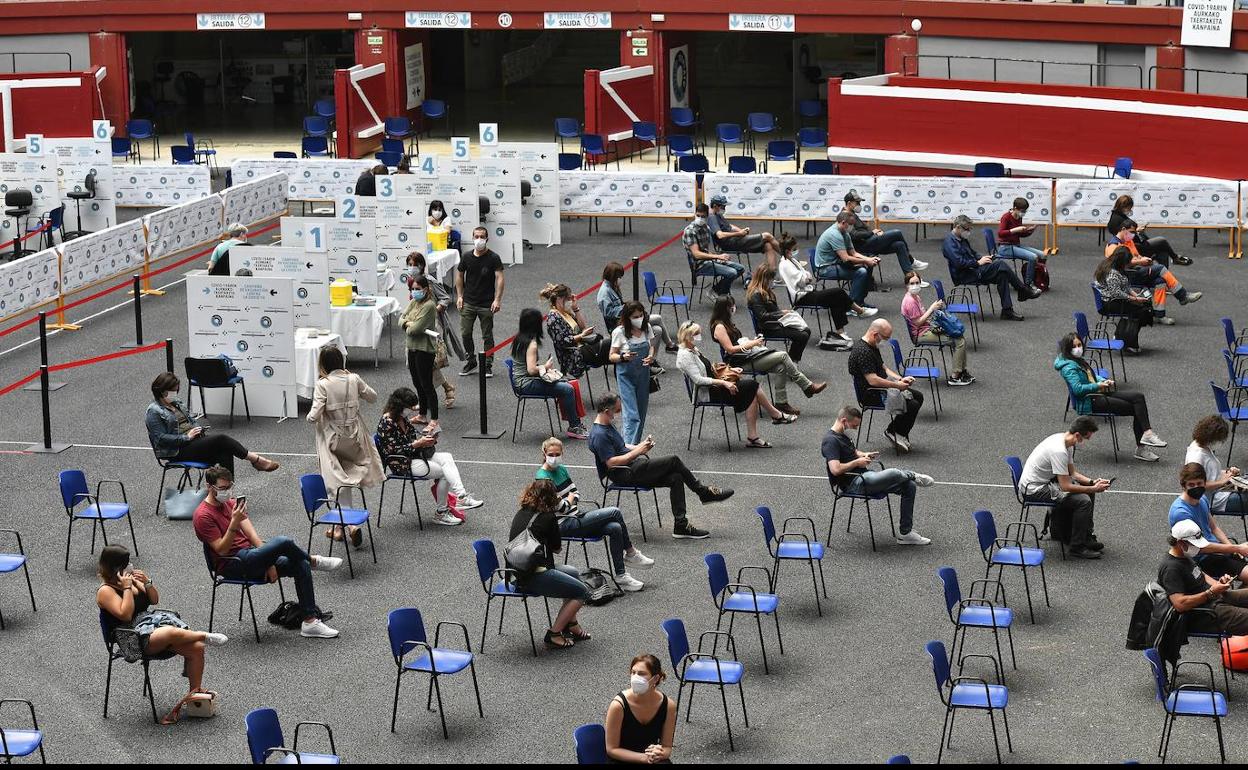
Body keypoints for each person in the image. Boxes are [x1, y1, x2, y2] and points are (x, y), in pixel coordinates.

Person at [193, 466, 341, 638]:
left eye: (230, 487)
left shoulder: (232, 503)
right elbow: (221, 550)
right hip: (232, 563)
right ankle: (315, 560)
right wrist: (234, 523)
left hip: (252, 555)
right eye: (223, 488)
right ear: (209, 487)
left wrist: (269, 562)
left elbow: (252, 535)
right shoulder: (202, 516)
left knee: (300, 563)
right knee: (283, 542)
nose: (228, 492)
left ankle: (310, 622)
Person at [96, 544, 228, 724]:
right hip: (131, 637)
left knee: (196, 648)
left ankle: (194, 696)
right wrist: (127, 588)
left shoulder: (131, 579)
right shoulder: (105, 591)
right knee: (170, 632)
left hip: (150, 626)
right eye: (126, 563)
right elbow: (125, 614)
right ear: (115, 568)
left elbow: (154, 599)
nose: (131, 566)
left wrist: (147, 582)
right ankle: (203, 634)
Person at [589, 393, 731, 540]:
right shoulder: (599, 435)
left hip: (632, 467)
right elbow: (611, 462)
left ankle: (680, 525)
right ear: (607, 411)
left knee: (676, 477)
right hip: (623, 474)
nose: (618, 414)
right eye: (617, 411)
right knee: (673, 460)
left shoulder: (606, 426)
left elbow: (622, 446)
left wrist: (640, 445)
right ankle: (703, 492)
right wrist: (639, 451)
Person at [537, 437, 652, 591]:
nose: (555, 457)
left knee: (615, 527)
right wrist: (570, 500)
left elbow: (575, 492)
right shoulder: (542, 478)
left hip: (575, 516)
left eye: (558, 454)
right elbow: (561, 508)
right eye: (551, 454)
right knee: (614, 512)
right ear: (544, 454)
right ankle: (631, 553)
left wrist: (569, 500)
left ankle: (621, 575)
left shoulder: (562, 469)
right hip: (563, 524)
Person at [823, 405, 934, 545]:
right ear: (844, 420)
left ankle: (905, 533)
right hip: (854, 484)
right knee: (894, 473)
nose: (856, 428)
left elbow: (852, 452)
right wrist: (857, 462)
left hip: (865, 477)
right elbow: (835, 469)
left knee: (909, 486)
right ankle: (912, 475)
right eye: (854, 425)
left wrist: (864, 455)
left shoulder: (842, 436)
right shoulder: (830, 441)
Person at [307, 347, 384, 545]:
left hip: (332, 438)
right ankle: (340, 527)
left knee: (336, 482)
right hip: (355, 435)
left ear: (323, 363)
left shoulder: (323, 384)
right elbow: (373, 397)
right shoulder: (354, 379)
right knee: (346, 480)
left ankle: (348, 525)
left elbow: (313, 416)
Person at [676, 320, 796, 449]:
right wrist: (725, 383)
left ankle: (758, 432)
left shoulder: (693, 349)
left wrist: (731, 370)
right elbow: (699, 380)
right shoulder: (685, 356)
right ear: (687, 336)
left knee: (751, 389)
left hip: (716, 386)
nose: (699, 336)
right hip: (709, 392)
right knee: (752, 386)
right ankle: (771, 419)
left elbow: (709, 368)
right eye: (696, 334)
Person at [377, 388, 482, 526]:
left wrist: (428, 438)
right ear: (399, 405)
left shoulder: (402, 417)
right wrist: (418, 444)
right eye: (410, 407)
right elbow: (393, 451)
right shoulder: (387, 422)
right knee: (444, 472)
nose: (412, 410)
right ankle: (442, 512)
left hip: (414, 456)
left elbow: (412, 438)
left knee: (447, 457)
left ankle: (461, 496)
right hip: (401, 463)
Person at [1055, 332, 1166, 462]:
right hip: (1090, 400)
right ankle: (1141, 447)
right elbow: (1078, 390)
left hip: (1098, 393)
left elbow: (1092, 376)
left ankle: (1147, 434)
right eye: (1075, 346)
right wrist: (1097, 385)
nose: (1078, 348)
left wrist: (1104, 380)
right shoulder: (1069, 368)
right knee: (1136, 409)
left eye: (1080, 344)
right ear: (1068, 349)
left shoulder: (1077, 361)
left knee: (1138, 397)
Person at [709, 294, 826, 417]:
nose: (733, 307)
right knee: (783, 355)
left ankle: (781, 403)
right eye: (731, 306)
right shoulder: (719, 327)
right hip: (739, 362)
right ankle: (807, 386)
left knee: (781, 367)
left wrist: (752, 343)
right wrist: (752, 343)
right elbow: (730, 349)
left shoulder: (726, 323)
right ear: (725, 309)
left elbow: (737, 343)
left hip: (747, 355)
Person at [509, 480, 591, 650]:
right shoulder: (548, 517)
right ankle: (554, 633)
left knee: (573, 572)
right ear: (553, 498)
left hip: (516, 572)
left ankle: (571, 623)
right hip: (536, 574)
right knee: (582, 592)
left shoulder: (521, 512)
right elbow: (558, 549)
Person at [145, 372, 280, 475]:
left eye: (177, 390)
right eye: (173, 390)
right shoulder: (154, 411)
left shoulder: (177, 403)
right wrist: (187, 437)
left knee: (225, 451)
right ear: (162, 391)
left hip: (193, 442)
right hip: (177, 450)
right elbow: (160, 439)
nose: (176, 393)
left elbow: (191, 421)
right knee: (221, 439)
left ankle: (227, 496)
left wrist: (198, 428)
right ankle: (256, 460)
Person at [1016, 417, 1111, 559]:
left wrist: (1092, 482)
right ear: (1077, 435)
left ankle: (1085, 535)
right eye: (1084, 439)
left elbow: (1072, 473)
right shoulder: (1059, 451)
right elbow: (1065, 486)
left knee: (1087, 489)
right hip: (1034, 490)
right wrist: (1093, 489)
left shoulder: (1066, 442)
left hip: (1044, 483)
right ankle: (1077, 547)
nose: (1083, 442)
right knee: (1083, 501)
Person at [776, 233, 872, 350]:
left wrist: (806, 275)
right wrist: (806, 276)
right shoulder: (785, 264)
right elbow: (803, 280)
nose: (796, 250)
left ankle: (840, 333)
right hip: (802, 297)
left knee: (836, 299)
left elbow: (805, 276)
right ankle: (859, 311)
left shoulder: (791, 260)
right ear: (787, 251)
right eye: (794, 249)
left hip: (808, 292)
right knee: (838, 292)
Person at [1159, 520, 1248, 638]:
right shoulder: (1171, 569)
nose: (1197, 548)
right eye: (1194, 544)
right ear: (1181, 543)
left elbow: (1201, 575)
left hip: (1214, 597)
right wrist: (1210, 593)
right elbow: (1180, 604)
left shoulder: (1185, 556)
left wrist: (1219, 583)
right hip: (1204, 612)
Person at [511, 307, 591, 440]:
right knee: (568, 389)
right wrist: (546, 366)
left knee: (566, 384)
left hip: (521, 381)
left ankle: (574, 422)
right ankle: (574, 426)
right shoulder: (532, 344)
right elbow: (531, 370)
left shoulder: (519, 339)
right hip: (526, 383)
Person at [942, 214, 1039, 322]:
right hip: (965, 275)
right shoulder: (949, 243)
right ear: (958, 227)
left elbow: (972, 253)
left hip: (973, 269)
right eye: (967, 229)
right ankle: (1023, 290)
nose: (969, 231)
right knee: (1000, 264)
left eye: (970, 229)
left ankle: (1007, 311)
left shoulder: (961, 238)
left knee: (1002, 274)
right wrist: (978, 263)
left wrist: (982, 258)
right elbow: (959, 263)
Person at [847, 319, 925, 453]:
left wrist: (900, 379)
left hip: (881, 387)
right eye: (885, 338)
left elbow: (883, 368)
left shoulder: (872, 346)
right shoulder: (862, 352)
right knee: (912, 404)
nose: (885, 341)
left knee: (918, 396)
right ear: (875, 334)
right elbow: (873, 380)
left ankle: (899, 432)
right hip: (872, 393)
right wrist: (897, 386)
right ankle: (893, 431)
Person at [1104, 221, 1200, 326]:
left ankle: (1160, 315)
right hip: (1127, 275)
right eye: (1131, 232)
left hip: (1137, 270)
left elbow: (1136, 255)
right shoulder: (1113, 245)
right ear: (1123, 230)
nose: (1133, 234)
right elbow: (1118, 264)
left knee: (1160, 281)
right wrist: (1140, 262)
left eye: (1134, 232)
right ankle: (1183, 296)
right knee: (1160, 268)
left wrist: (1143, 259)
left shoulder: (1128, 241)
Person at [1168, 463, 1248, 583]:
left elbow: (1214, 528)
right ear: (1183, 486)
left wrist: (1234, 550)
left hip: (1218, 550)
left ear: (1205, 482)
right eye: (1191, 485)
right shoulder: (1181, 513)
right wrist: (1234, 548)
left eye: (1199, 483)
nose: (1196, 487)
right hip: (1202, 558)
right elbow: (1198, 548)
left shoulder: (1202, 499)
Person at [900, 271, 974, 386]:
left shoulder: (916, 297)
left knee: (959, 336)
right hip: (920, 334)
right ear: (907, 285)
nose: (915, 286)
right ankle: (955, 376)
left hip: (927, 328)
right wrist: (931, 308)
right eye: (912, 283)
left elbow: (924, 318)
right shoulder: (910, 301)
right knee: (959, 340)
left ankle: (962, 372)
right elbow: (918, 323)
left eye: (917, 282)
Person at [604, 654, 677, 764]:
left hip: (650, 758)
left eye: (642, 674)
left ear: (655, 678)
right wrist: (644, 758)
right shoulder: (618, 706)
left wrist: (660, 753)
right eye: (633, 672)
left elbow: (667, 747)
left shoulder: (668, 706)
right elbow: (612, 749)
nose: (635, 678)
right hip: (622, 759)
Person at [404, 252, 455, 408]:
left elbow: (445, 298)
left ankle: (430, 399)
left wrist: (434, 310)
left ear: (422, 265)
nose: (412, 268)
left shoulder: (430, 281)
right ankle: (446, 388)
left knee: (427, 362)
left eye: (415, 264)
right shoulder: (410, 280)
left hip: (431, 325)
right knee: (417, 363)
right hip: (415, 324)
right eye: (410, 264)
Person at [456, 226, 505, 377]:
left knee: (487, 336)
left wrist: (497, 300)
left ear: (487, 239)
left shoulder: (493, 258)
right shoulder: (466, 257)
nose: (479, 240)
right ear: (472, 238)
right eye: (476, 236)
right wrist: (459, 296)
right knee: (465, 333)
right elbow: (459, 275)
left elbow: (500, 278)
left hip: (486, 303)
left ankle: (488, 364)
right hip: (469, 302)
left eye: (482, 237)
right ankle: (471, 361)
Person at [595, 261, 676, 352]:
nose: (620, 279)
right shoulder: (605, 293)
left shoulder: (612, 287)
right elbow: (608, 313)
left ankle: (652, 358)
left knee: (657, 329)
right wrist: (626, 308)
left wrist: (626, 306)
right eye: (619, 277)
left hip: (624, 319)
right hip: (619, 324)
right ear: (614, 277)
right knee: (657, 318)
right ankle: (669, 345)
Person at [844, 190, 928, 277]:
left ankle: (911, 277)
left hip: (869, 242)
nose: (859, 205)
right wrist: (871, 233)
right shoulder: (845, 216)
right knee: (897, 233)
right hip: (862, 246)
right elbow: (853, 235)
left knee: (899, 245)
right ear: (849, 203)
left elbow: (863, 229)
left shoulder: (852, 214)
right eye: (857, 202)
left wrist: (875, 232)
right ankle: (911, 261)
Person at [610, 301, 660, 445]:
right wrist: (622, 357)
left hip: (643, 375)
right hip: (626, 376)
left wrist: (651, 357)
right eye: (635, 316)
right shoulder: (619, 332)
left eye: (640, 315)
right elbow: (611, 356)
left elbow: (651, 346)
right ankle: (628, 449)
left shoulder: (647, 327)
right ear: (627, 317)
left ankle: (633, 446)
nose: (639, 319)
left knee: (641, 413)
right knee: (632, 415)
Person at [541, 282, 610, 383]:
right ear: (560, 299)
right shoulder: (553, 318)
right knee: (609, 344)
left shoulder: (566, 313)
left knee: (611, 347)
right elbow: (562, 342)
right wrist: (581, 336)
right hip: (573, 355)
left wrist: (575, 308)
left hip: (582, 348)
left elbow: (583, 327)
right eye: (569, 299)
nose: (570, 301)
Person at [1093, 246, 1153, 353]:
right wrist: (1134, 299)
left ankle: (1122, 335)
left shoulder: (1112, 266)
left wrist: (1136, 295)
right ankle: (1128, 342)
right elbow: (1116, 292)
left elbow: (1125, 286)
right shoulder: (1112, 274)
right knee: (1140, 311)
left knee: (1143, 306)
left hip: (1113, 299)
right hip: (1110, 303)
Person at [746, 264, 811, 362]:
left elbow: (772, 311)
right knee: (802, 335)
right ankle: (792, 362)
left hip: (776, 323)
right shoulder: (756, 295)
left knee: (806, 331)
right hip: (768, 327)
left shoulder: (766, 291)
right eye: (770, 279)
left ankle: (791, 361)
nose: (772, 282)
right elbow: (762, 316)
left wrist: (784, 314)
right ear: (764, 278)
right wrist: (781, 313)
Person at [814, 210, 878, 307]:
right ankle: (851, 306)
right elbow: (846, 259)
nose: (851, 227)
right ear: (843, 223)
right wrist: (866, 260)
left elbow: (854, 253)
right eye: (850, 225)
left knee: (867, 266)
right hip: (825, 268)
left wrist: (869, 259)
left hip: (835, 263)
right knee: (861, 272)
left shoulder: (844, 233)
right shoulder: (834, 235)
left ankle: (859, 301)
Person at [1185, 415, 1246, 518]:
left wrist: (1228, 473)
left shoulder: (1203, 446)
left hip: (1220, 492)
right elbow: (1195, 485)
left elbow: (1210, 473)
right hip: (1213, 500)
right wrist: (1223, 481)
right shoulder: (1196, 457)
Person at [682, 203, 746, 297]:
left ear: (707, 216)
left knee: (740, 268)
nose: (699, 218)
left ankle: (716, 290)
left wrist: (718, 258)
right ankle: (722, 297)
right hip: (699, 264)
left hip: (709, 259)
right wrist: (718, 256)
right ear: (695, 214)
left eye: (702, 216)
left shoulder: (706, 228)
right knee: (732, 273)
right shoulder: (690, 231)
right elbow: (697, 254)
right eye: (698, 215)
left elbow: (706, 250)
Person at [1108, 194, 1191, 266]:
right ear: (1124, 207)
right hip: (1136, 247)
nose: (1130, 210)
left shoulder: (1116, 216)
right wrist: (1137, 231)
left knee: (1163, 251)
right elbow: (1124, 237)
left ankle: (1163, 273)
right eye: (1129, 208)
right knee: (1162, 241)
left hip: (1136, 244)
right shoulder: (1118, 219)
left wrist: (1136, 230)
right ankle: (1175, 258)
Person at [401, 274, 440, 423]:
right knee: (417, 383)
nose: (414, 291)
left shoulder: (429, 306)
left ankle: (434, 420)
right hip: (411, 348)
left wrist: (408, 324)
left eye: (417, 289)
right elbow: (401, 318)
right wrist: (408, 323)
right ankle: (422, 415)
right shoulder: (413, 302)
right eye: (412, 289)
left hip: (424, 350)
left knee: (427, 385)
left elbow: (415, 330)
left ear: (425, 289)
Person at [707, 193, 781, 270]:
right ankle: (787, 256)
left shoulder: (717, 214)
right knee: (767, 235)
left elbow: (729, 226)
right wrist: (739, 233)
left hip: (734, 240)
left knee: (768, 245)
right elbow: (720, 235)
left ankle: (772, 274)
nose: (724, 208)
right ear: (715, 206)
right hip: (729, 244)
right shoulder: (712, 217)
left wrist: (741, 231)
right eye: (723, 206)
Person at [995, 197, 1045, 286]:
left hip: (1016, 245)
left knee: (1042, 255)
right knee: (1033, 257)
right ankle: (1028, 284)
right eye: (1022, 210)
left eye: (1025, 211)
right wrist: (1015, 230)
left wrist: (1030, 230)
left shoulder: (1018, 217)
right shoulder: (1006, 217)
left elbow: (1021, 235)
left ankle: (1039, 279)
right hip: (1005, 247)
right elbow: (1000, 233)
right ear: (1015, 208)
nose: (1023, 213)